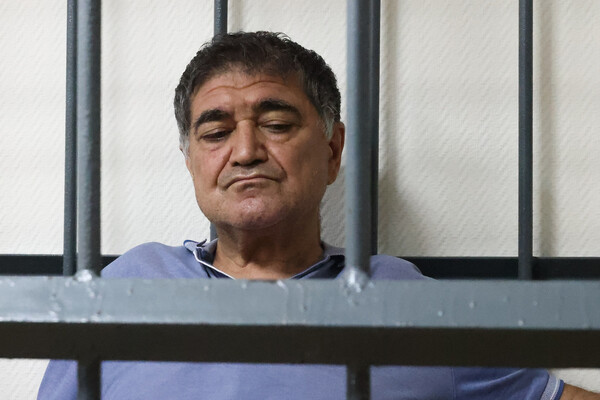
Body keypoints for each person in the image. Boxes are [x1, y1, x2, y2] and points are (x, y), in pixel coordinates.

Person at [38, 31, 598, 400]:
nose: (246, 151)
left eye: (277, 125)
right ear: (191, 161)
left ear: (333, 151)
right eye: (215, 132)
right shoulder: (129, 284)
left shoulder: (403, 297)